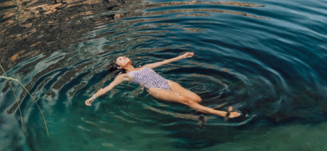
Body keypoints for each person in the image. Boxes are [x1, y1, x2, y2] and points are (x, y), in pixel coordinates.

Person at [85, 52, 242, 119]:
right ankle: (221, 114)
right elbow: (108, 88)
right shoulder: (124, 76)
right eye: (120, 59)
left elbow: (164, 62)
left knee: (197, 99)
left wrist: (182, 56)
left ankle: (197, 111)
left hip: (167, 83)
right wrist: (92, 97)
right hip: (155, 89)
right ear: (119, 67)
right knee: (187, 101)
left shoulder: (145, 66)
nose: (124, 57)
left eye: (123, 56)